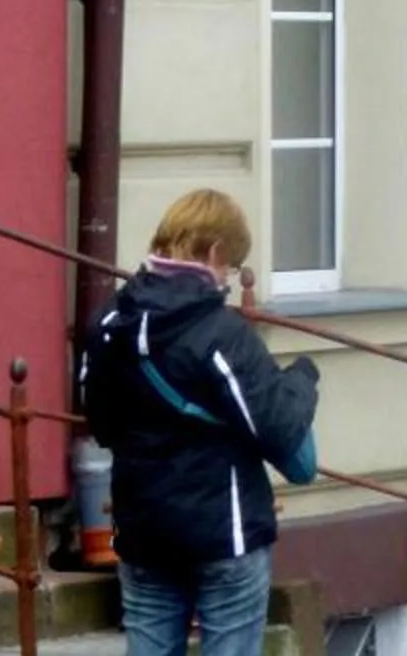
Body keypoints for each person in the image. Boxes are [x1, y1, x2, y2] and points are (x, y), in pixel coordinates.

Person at [80, 189, 321, 656]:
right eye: (231, 268)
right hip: (223, 532)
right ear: (214, 253)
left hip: (143, 527)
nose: (228, 281)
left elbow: (103, 425)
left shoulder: (109, 323)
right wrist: (304, 378)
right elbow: (280, 427)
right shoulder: (220, 333)